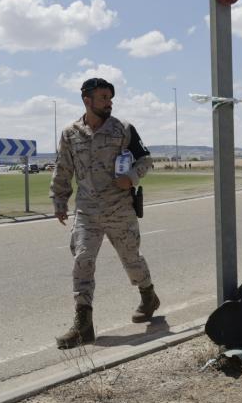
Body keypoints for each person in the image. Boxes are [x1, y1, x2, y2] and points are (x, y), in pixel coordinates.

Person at [50, 77, 160, 349]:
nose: (109, 103)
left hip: (119, 208)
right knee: (82, 260)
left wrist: (132, 177)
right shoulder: (70, 133)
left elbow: (146, 160)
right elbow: (63, 168)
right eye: (103, 98)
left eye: (110, 98)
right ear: (87, 100)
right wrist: (59, 200)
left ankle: (148, 296)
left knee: (131, 259)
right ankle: (83, 324)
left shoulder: (123, 128)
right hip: (86, 210)